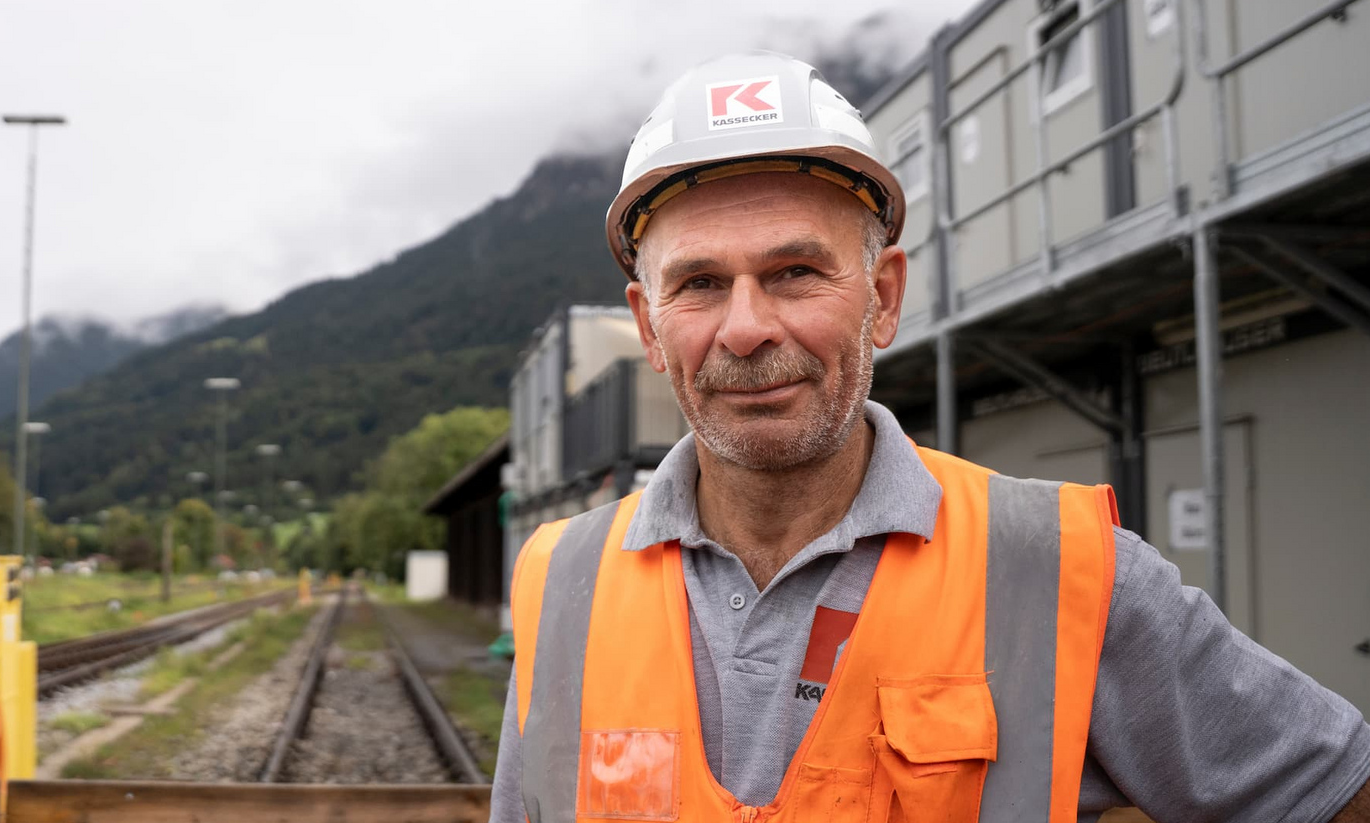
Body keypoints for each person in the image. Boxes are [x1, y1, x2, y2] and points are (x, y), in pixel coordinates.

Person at [487, 52, 1370, 823]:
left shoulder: (1064, 572)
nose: (747, 328)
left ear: (883, 298)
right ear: (649, 325)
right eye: (701, 283)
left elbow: (1333, 792)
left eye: (795, 271)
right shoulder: (561, 582)